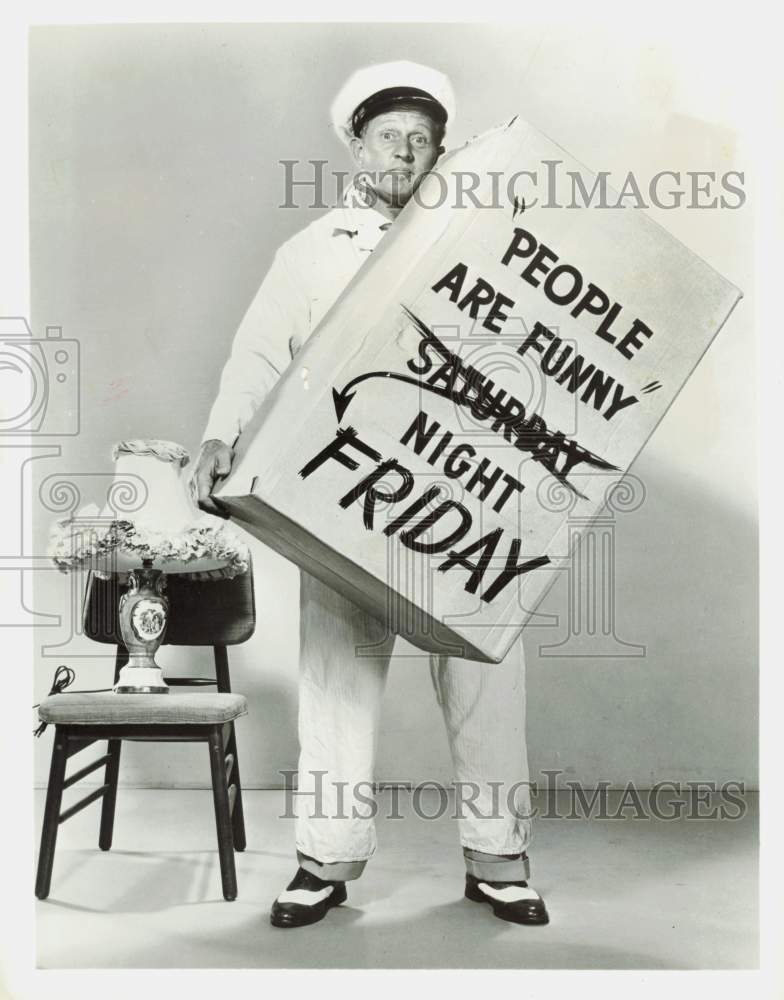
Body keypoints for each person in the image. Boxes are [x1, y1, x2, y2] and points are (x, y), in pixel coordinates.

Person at [191, 60, 549, 929]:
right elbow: (260, 354)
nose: (407, 152)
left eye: (424, 140)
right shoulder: (312, 251)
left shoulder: (478, 237)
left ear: (442, 153)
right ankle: (326, 858)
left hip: (460, 489)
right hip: (344, 489)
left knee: (484, 674)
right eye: (390, 137)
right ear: (356, 147)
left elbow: (542, 349)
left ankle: (499, 859)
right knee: (338, 674)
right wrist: (218, 435)